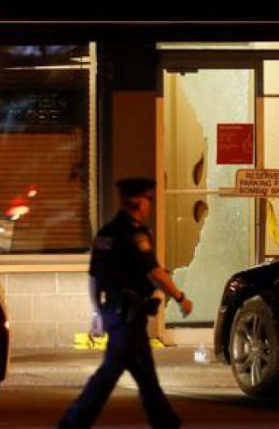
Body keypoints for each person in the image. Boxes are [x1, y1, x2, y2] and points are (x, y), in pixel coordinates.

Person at [58, 177, 192, 429]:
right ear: (139, 203)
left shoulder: (105, 233)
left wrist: (98, 313)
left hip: (116, 313)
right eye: (149, 200)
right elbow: (155, 273)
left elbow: (94, 278)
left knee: (145, 376)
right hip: (128, 317)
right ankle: (72, 423)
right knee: (109, 376)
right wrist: (180, 297)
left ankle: (166, 422)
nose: (149, 205)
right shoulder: (135, 234)